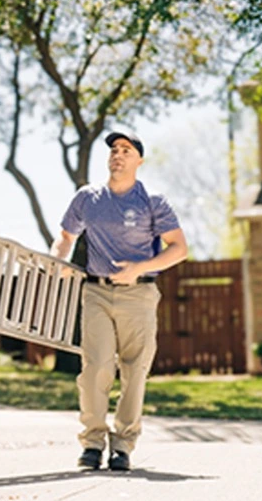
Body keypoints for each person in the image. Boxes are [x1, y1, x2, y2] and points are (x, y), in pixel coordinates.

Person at [50, 131, 188, 471]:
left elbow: (178, 248)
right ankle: (93, 443)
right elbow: (66, 237)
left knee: (134, 371)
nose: (117, 155)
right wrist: (60, 262)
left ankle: (123, 445)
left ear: (139, 160)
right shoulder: (88, 197)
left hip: (138, 294)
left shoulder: (152, 201)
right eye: (113, 149)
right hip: (95, 291)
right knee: (95, 368)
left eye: (126, 150)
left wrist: (140, 268)